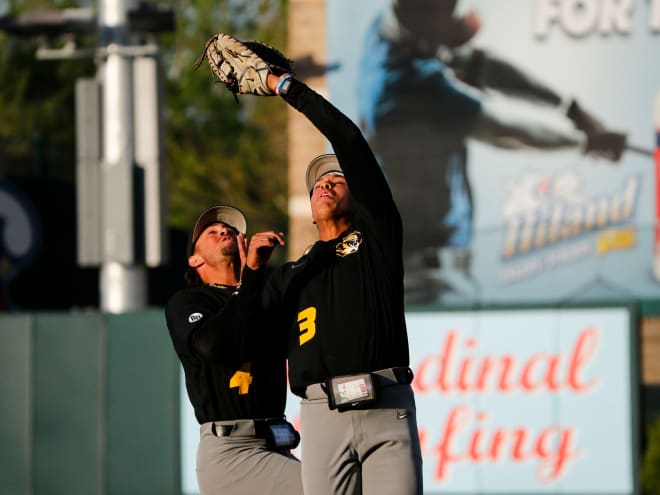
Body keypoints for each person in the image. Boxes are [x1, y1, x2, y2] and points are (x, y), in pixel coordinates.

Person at [357, 0, 628, 303]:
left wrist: (570, 108)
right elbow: (505, 130)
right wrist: (586, 143)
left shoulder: (386, 33)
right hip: (427, 277)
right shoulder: (409, 88)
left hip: (417, 262)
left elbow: (481, 66)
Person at [259, 70, 423, 495]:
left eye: (338, 180)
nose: (327, 183)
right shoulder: (290, 276)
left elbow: (348, 141)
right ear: (310, 211)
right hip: (320, 414)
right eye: (318, 183)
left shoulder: (376, 239)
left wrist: (286, 87)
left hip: (386, 404)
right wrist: (252, 272)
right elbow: (249, 339)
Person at [164, 205, 302, 495]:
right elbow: (211, 345)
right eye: (211, 232)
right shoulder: (189, 302)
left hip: (276, 443)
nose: (223, 231)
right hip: (232, 450)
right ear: (195, 259)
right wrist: (250, 277)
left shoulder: (265, 294)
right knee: (334, 487)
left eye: (229, 229)